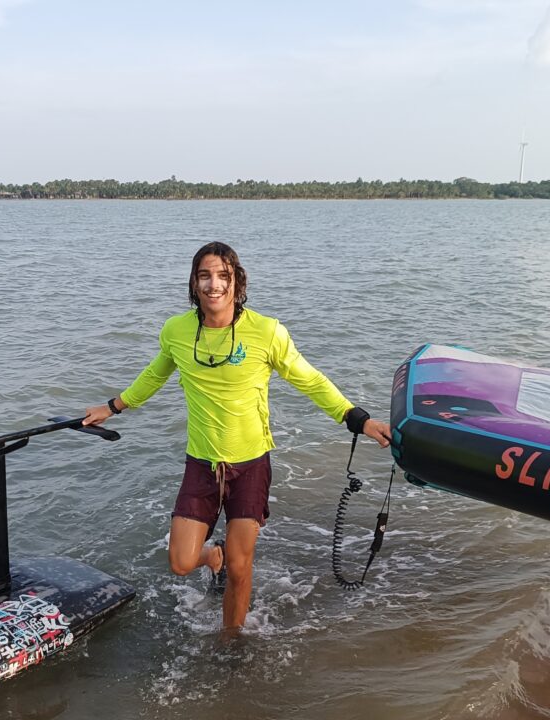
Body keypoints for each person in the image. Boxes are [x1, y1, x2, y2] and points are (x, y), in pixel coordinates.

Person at [83, 241, 390, 632]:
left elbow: (309, 379)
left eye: (223, 276)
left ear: (237, 282)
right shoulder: (177, 331)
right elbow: (156, 374)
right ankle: (214, 558)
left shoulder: (266, 332)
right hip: (202, 464)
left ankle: (231, 643)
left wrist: (357, 419)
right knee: (180, 561)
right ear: (194, 283)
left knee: (243, 567)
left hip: (251, 465)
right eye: (205, 276)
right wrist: (112, 407)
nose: (214, 285)